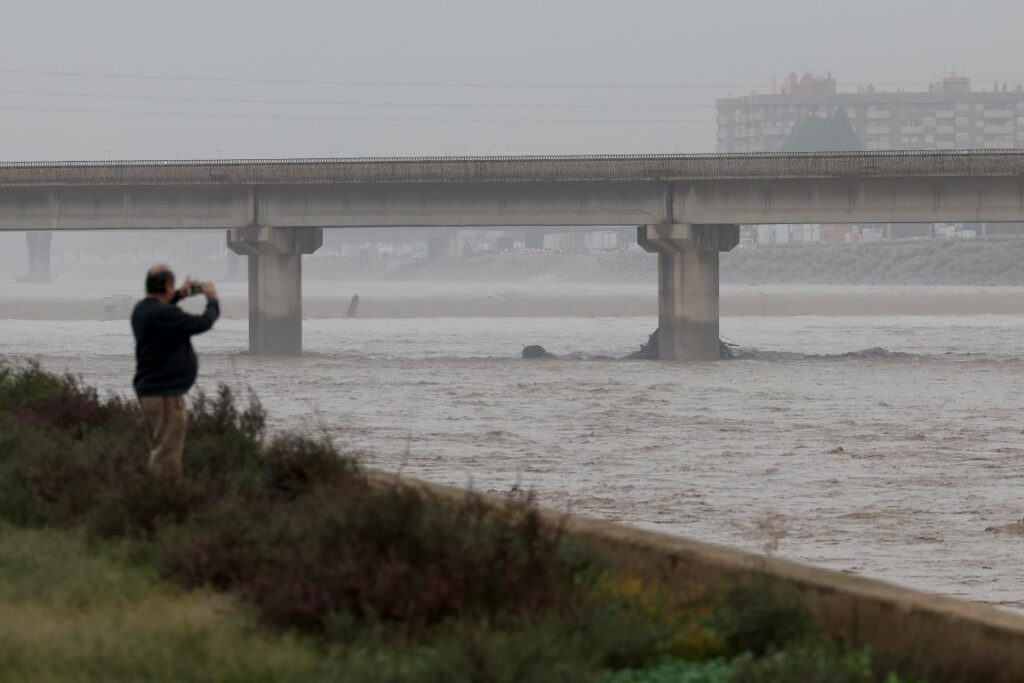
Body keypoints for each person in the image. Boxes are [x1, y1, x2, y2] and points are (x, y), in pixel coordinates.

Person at [131, 265, 219, 477]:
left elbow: (162, 309)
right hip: (166, 397)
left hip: (149, 393)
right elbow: (202, 322)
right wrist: (212, 300)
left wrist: (180, 294)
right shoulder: (165, 314)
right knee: (167, 458)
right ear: (168, 284)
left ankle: (152, 500)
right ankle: (166, 503)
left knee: (158, 449)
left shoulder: (142, 310)